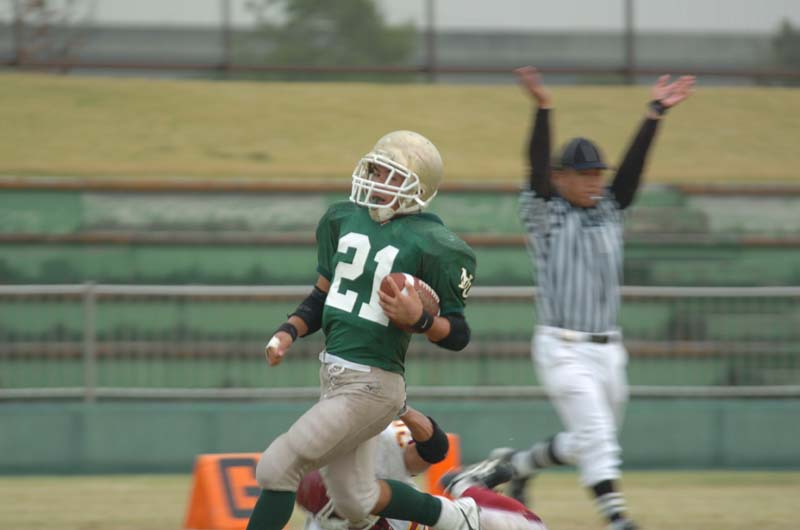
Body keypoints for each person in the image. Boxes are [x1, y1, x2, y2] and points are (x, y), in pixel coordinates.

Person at [489, 67, 695, 530]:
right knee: (598, 434)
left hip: (609, 349)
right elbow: (535, 169)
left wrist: (655, 114)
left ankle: (517, 465)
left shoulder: (609, 210)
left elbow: (633, 172)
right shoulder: (546, 214)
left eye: (598, 173)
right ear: (560, 177)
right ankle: (616, 517)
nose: (594, 181)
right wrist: (544, 109)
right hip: (562, 347)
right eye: (583, 174)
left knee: (589, 438)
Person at [247, 130, 478, 530]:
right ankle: (458, 519)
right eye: (375, 170)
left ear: (417, 189)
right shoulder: (342, 219)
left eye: (391, 175)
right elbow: (322, 297)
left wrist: (420, 319)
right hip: (336, 378)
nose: (376, 180)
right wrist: (288, 331)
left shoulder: (435, 243)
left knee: (278, 466)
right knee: (357, 499)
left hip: (373, 385)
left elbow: (458, 334)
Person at [298, 407, 548, 530]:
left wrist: (401, 406)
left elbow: (435, 448)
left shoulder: (381, 440)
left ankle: (466, 485)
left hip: (420, 514)